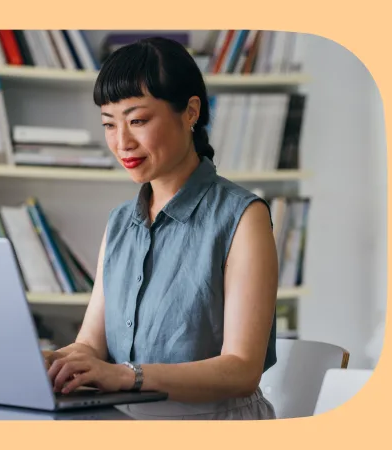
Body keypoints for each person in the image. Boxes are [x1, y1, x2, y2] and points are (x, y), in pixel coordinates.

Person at [44, 37, 279, 420]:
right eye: (109, 124)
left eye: (138, 120)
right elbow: (90, 343)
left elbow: (242, 369)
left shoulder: (242, 216)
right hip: (125, 422)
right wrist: (54, 361)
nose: (122, 143)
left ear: (190, 112)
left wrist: (126, 376)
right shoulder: (120, 222)